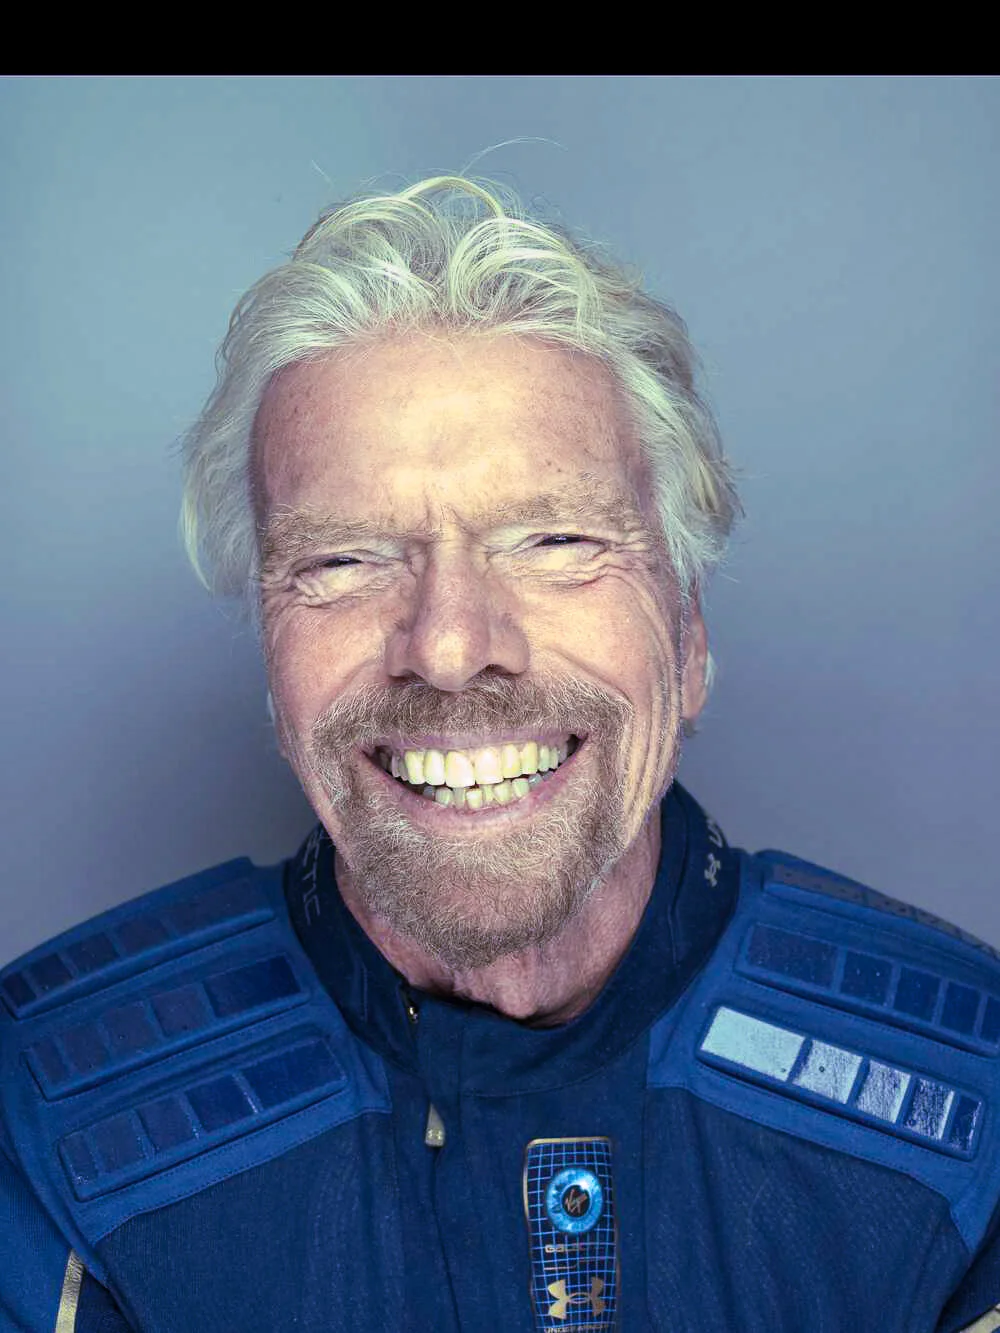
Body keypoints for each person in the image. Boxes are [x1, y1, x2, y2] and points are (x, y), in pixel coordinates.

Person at [1, 174, 998, 1333]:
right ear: (272, 665)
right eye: (343, 561)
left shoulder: (974, 1095)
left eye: (555, 540)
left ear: (687, 636)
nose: (448, 645)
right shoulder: (45, 1104)